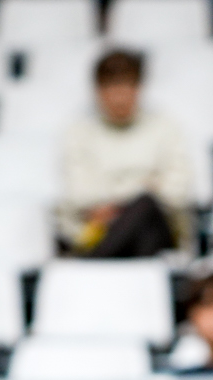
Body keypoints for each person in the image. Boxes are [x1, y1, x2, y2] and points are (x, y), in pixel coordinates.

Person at [58, 49, 196, 257]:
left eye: (127, 86)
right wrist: (144, 185)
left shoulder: (165, 127)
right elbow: (80, 195)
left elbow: (177, 191)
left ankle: (95, 262)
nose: (120, 98)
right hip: (100, 231)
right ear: (97, 91)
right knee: (142, 214)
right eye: (111, 88)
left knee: (146, 206)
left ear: (139, 88)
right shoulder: (79, 132)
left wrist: (119, 203)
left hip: (161, 229)